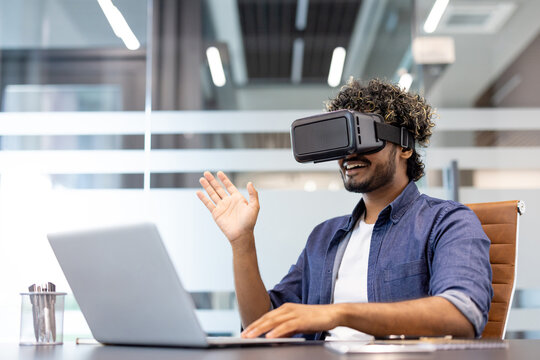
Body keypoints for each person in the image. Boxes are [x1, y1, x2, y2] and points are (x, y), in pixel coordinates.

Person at [196, 78, 493, 341]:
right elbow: (261, 324)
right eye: (342, 141)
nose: (350, 153)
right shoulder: (324, 237)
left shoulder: (447, 222)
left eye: (363, 137)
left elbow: (462, 316)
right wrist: (242, 242)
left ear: (405, 146)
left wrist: (338, 314)